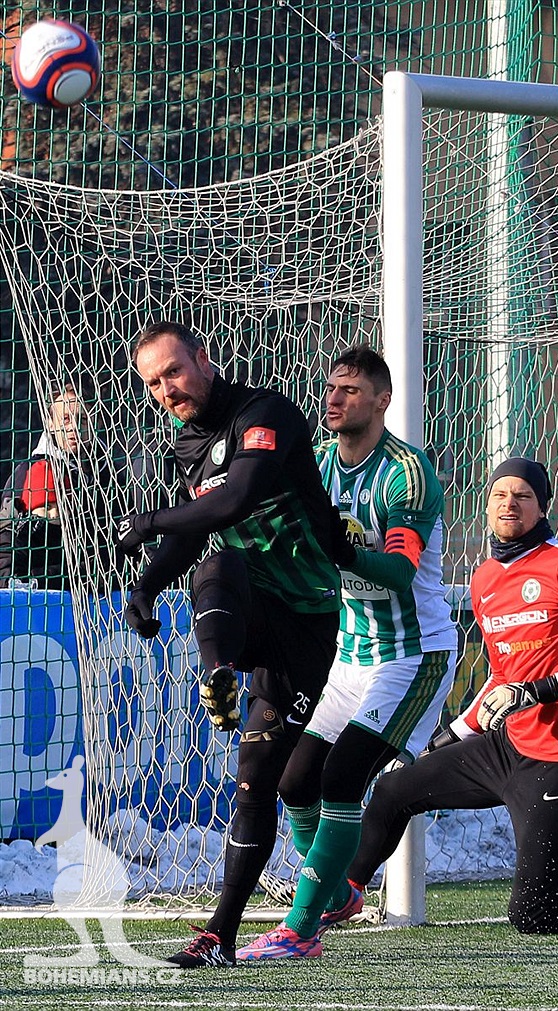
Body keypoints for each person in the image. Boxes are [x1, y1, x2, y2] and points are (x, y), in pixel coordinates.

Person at [331, 457, 558, 936]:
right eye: (500, 495)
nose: (510, 504)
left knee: (534, 916)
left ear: (542, 507)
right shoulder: (485, 578)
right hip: (507, 748)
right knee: (392, 791)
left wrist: (537, 691)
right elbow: (502, 676)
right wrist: (449, 737)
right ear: (486, 507)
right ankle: (340, 898)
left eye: (523, 495)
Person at [114, 321, 342, 968]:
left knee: (256, 784)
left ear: (204, 358)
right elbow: (193, 532)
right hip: (251, 610)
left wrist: (148, 522)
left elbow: (235, 498)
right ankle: (219, 674)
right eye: (153, 383)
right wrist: (146, 585)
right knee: (217, 564)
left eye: (174, 372)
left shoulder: (265, 413)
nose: (167, 389)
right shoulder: (186, 444)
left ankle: (253, 919)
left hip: (307, 622)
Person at [234, 343, 457, 961]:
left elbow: (400, 572)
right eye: (330, 388)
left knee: (341, 779)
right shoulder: (319, 464)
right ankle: (336, 892)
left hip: (412, 655)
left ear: (382, 400)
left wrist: (340, 550)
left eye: (350, 390)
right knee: (294, 781)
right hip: (350, 654)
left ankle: (302, 927)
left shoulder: (406, 473)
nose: (333, 399)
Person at [0, 382, 108, 589]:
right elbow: (8, 539)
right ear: (50, 424)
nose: (74, 427)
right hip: (44, 590)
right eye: (65, 419)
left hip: (101, 589)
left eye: (83, 419)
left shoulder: (109, 473)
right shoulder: (32, 471)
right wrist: (14, 584)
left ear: (97, 422)